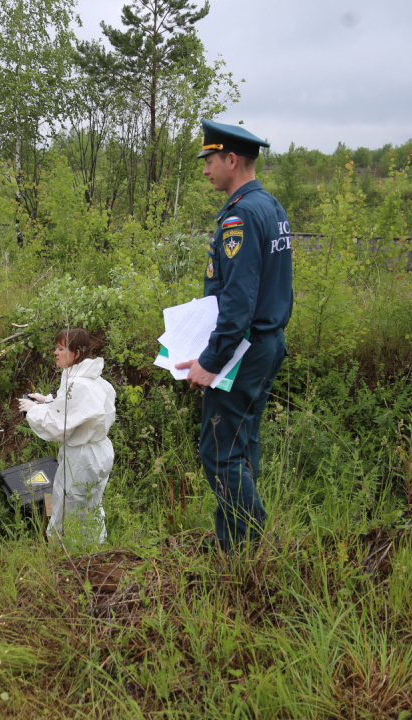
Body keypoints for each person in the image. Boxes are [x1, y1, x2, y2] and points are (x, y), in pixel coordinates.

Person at [174, 119, 293, 553]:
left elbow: (238, 302)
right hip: (267, 343)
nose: (205, 169)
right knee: (242, 447)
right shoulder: (271, 207)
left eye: (209, 160)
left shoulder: (241, 215)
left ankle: (248, 545)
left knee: (220, 452)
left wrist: (212, 359)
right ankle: (234, 541)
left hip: (244, 349)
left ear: (231, 159)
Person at [18, 329, 115, 543]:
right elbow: (77, 411)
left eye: (61, 348)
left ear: (77, 353)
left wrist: (33, 410)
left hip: (82, 457)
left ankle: (70, 554)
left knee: (70, 506)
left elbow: (59, 426)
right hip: (97, 452)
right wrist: (47, 401)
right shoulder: (89, 378)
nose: (55, 352)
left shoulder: (77, 384)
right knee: (90, 505)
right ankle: (95, 550)